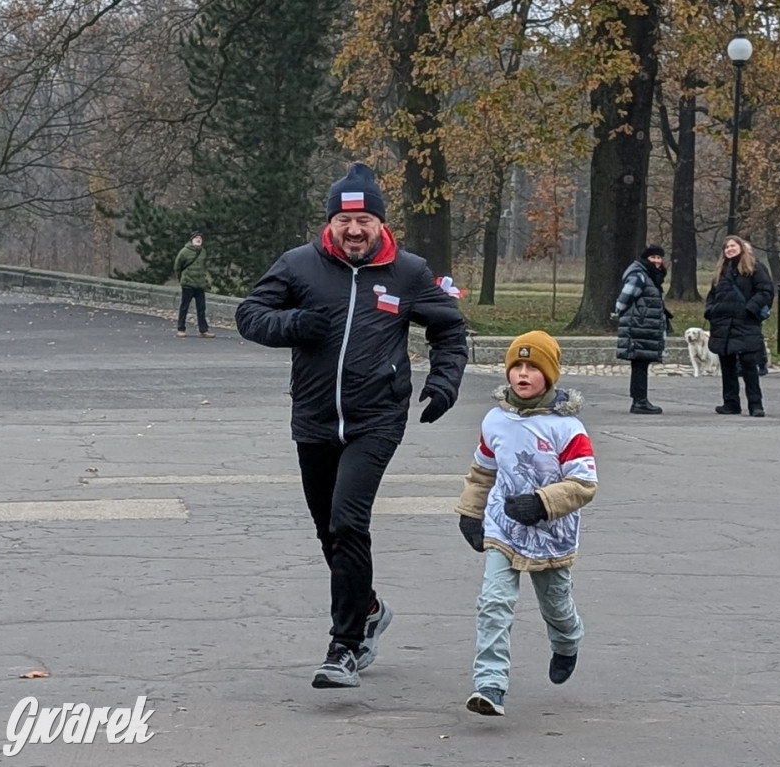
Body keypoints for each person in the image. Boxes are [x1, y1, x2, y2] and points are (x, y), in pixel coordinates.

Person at [235, 162, 469, 688]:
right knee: (329, 531)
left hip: (376, 418)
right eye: (346, 220)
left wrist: (444, 383)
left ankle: (344, 646)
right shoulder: (299, 265)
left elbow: (450, 331)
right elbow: (250, 315)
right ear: (331, 223)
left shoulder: (408, 272)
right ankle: (366, 607)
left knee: (347, 521)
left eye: (365, 219)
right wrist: (294, 323)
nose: (355, 230)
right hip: (314, 419)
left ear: (381, 224)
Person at [455, 330, 598, 716]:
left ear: (549, 375)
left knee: (555, 605)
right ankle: (490, 684)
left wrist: (541, 503)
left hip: (550, 534)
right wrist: (471, 512)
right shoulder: (495, 420)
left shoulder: (567, 429)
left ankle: (568, 640)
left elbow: (584, 485)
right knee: (494, 602)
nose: (522, 374)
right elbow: (483, 471)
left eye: (532, 367)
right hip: (504, 528)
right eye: (516, 366)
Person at [703, 235, 774, 417]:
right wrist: (711, 311)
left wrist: (750, 308)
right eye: (726, 247)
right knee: (727, 367)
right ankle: (731, 403)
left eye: (733, 246)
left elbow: (765, 291)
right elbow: (713, 294)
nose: (729, 249)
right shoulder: (721, 271)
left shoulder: (754, 267)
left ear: (741, 247)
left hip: (745, 323)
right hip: (723, 324)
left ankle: (755, 404)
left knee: (749, 365)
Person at [613, 244, 670, 414]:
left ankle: (640, 400)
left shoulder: (649, 275)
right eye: (653, 257)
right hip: (639, 326)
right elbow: (624, 298)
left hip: (642, 326)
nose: (657, 261)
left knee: (641, 364)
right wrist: (624, 313)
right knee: (640, 364)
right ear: (646, 259)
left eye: (659, 258)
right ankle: (639, 402)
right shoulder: (640, 275)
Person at [174, 231, 215, 338]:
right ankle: (181, 328)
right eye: (196, 237)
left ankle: (203, 330)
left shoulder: (203, 252)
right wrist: (182, 280)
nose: (198, 239)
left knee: (201, 308)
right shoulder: (184, 252)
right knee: (184, 307)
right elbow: (177, 267)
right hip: (188, 284)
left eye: (200, 238)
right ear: (191, 239)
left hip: (199, 285)